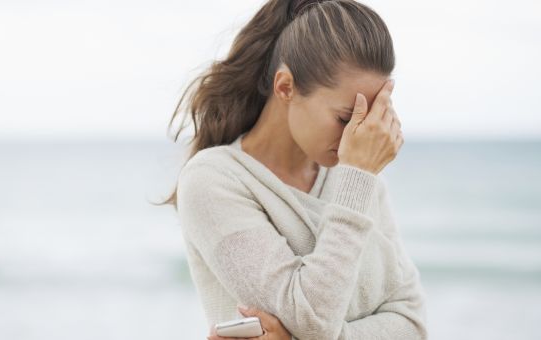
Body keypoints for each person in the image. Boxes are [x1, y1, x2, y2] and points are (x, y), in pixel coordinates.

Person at [156, 0, 428, 339]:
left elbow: (414, 326)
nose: (357, 138)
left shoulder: (360, 180)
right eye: (346, 118)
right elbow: (312, 320)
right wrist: (357, 177)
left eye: (371, 119)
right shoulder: (213, 180)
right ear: (285, 87)